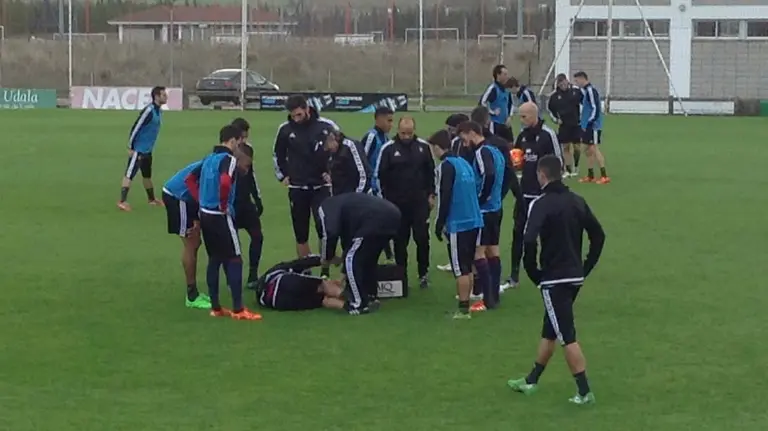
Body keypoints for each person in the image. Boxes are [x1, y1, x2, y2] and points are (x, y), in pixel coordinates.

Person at [506, 155, 605, 406]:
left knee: (565, 335)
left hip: (554, 279)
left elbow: (528, 240)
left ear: (541, 175)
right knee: (550, 329)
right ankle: (531, 380)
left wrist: (533, 272)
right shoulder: (577, 201)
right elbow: (599, 235)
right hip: (573, 276)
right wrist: (586, 266)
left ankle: (584, 391)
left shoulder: (540, 203)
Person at [186, 125, 262, 321]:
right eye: (239, 142)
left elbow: (190, 179)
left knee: (215, 259)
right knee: (235, 257)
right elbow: (226, 181)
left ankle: (216, 307)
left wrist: (201, 200)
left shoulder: (208, 158)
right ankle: (239, 309)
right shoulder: (228, 159)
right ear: (233, 141)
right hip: (220, 216)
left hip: (205, 213)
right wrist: (222, 203)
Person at [272, 95, 340, 261]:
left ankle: (325, 268)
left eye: (299, 115)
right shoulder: (285, 129)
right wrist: (283, 176)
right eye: (293, 115)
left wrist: (332, 173)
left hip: (321, 188)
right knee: (300, 233)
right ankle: (306, 271)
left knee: (324, 229)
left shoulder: (327, 126)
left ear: (307, 109)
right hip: (297, 188)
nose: (296, 119)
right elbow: (277, 154)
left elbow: (341, 151)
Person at [428, 129, 484, 319]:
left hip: (458, 223)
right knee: (467, 265)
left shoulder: (446, 166)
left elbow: (444, 196)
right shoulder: (464, 163)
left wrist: (438, 223)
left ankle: (463, 310)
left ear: (437, 147)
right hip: (474, 220)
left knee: (460, 267)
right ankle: (466, 303)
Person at [374, 116, 435, 289]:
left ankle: (423, 273)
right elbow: (379, 176)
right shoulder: (388, 149)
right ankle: (401, 275)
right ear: (397, 131)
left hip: (419, 203)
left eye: (409, 133)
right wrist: (384, 202)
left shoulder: (423, 147)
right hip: (396, 205)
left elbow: (431, 172)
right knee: (400, 241)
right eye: (403, 133)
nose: (406, 136)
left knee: (422, 238)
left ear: (414, 131)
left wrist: (432, 194)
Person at [507, 102, 563, 289]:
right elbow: (516, 158)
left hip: (543, 197)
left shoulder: (548, 135)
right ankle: (514, 274)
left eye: (524, 116)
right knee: (518, 234)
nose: (521, 120)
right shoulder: (522, 136)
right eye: (519, 116)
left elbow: (558, 163)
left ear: (534, 115)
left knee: (545, 235)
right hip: (524, 195)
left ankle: (547, 271)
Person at [318, 193, 401, 315]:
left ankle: (358, 303)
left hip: (375, 219)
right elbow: (349, 242)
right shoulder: (347, 207)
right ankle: (370, 294)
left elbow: (330, 233)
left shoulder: (325, 208)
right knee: (368, 258)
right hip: (393, 215)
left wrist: (327, 257)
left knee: (351, 259)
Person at [457, 121, 507, 311]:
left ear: (471, 133)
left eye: (463, 137)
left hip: (485, 210)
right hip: (495, 208)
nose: (463, 142)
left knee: (478, 252)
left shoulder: (481, 152)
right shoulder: (495, 151)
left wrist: (479, 200)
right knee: (493, 251)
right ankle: (493, 296)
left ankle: (486, 299)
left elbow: (489, 175)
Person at [161, 158, 211, 309]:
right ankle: (191, 295)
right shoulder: (217, 163)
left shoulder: (217, 160)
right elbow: (193, 185)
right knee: (191, 242)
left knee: (195, 243)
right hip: (178, 197)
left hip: (185, 198)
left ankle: (193, 292)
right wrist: (196, 218)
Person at [118, 86, 167, 211]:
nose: (166, 97)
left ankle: (151, 199)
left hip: (147, 150)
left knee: (147, 176)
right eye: (163, 95)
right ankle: (122, 201)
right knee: (129, 174)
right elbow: (136, 127)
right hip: (138, 150)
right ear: (156, 96)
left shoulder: (158, 111)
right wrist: (130, 147)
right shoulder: (149, 111)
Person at [231, 118, 265, 289]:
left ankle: (253, 274)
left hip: (245, 202)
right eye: (241, 137)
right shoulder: (225, 153)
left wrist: (257, 199)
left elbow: (251, 175)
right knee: (232, 243)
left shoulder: (249, 149)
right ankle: (233, 277)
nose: (244, 140)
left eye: (246, 137)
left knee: (258, 237)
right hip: (230, 205)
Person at [255, 255, 347, 311]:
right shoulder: (286, 268)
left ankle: (347, 306)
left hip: (275, 302)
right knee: (323, 284)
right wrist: (328, 259)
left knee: (322, 300)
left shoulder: (277, 271)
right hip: (280, 283)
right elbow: (304, 262)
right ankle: (350, 297)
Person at [573, 71, 610, 184]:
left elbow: (595, 108)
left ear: (582, 78)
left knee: (594, 149)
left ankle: (604, 176)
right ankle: (590, 175)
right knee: (588, 150)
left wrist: (590, 122)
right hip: (586, 125)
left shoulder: (590, 91)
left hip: (592, 126)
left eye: (577, 80)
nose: (576, 83)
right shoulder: (585, 91)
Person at [547, 74, 583, 177]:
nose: (563, 85)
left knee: (577, 147)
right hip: (564, 125)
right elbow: (550, 110)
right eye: (560, 83)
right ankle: (568, 170)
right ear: (558, 84)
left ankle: (576, 166)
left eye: (564, 82)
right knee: (566, 147)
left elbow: (583, 104)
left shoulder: (576, 92)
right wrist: (556, 120)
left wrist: (583, 118)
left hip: (576, 124)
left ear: (567, 81)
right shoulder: (554, 96)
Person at [324, 130, 371, 195]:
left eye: (327, 145)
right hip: (339, 196)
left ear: (333, 139)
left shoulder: (350, 146)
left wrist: (358, 196)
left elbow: (364, 174)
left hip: (354, 196)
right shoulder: (332, 152)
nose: (327, 149)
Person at [361, 106, 394, 195]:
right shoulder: (371, 137)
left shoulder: (386, 138)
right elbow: (362, 162)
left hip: (382, 188)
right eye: (389, 121)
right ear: (379, 120)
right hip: (371, 189)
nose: (391, 125)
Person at [479, 64, 515, 143]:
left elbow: (511, 104)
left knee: (510, 145)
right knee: (495, 144)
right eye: (504, 74)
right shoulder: (493, 88)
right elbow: (482, 103)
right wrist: (492, 112)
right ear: (498, 75)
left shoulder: (507, 90)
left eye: (507, 74)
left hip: (506, 124)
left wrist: (510, 117)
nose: (507, 77)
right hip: (495, 124)